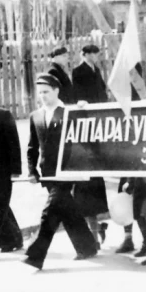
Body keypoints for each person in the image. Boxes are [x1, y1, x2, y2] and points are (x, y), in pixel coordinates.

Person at [23, 74, 97, 270]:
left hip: (67, 171)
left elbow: (86, 133)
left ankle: (35, 254)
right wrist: (32, 170)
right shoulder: (35, 116)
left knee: (49, 212)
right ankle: (88, 246)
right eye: (40, 93)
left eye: (46, 92)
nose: (43, 96)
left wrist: (84, 109)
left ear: (57, 91)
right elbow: (32, 147)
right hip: (46, 172)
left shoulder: (69, 112)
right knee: (66, 209)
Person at [72, 44, 109, 249]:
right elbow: (79, 96)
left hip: (99, 119)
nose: (96, 57)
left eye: (97, 54)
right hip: (87, 119)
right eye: (94, 54)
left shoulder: (96, 70)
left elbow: (101, 92)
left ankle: (97, 227)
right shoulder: (79, 72)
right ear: (85, 55)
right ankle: (93, 231)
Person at [0, 103, 23, 253]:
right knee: (1, 206)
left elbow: (14, 143)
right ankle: (12, 239)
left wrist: (16, 169)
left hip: (2, 169)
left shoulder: (3, 115)